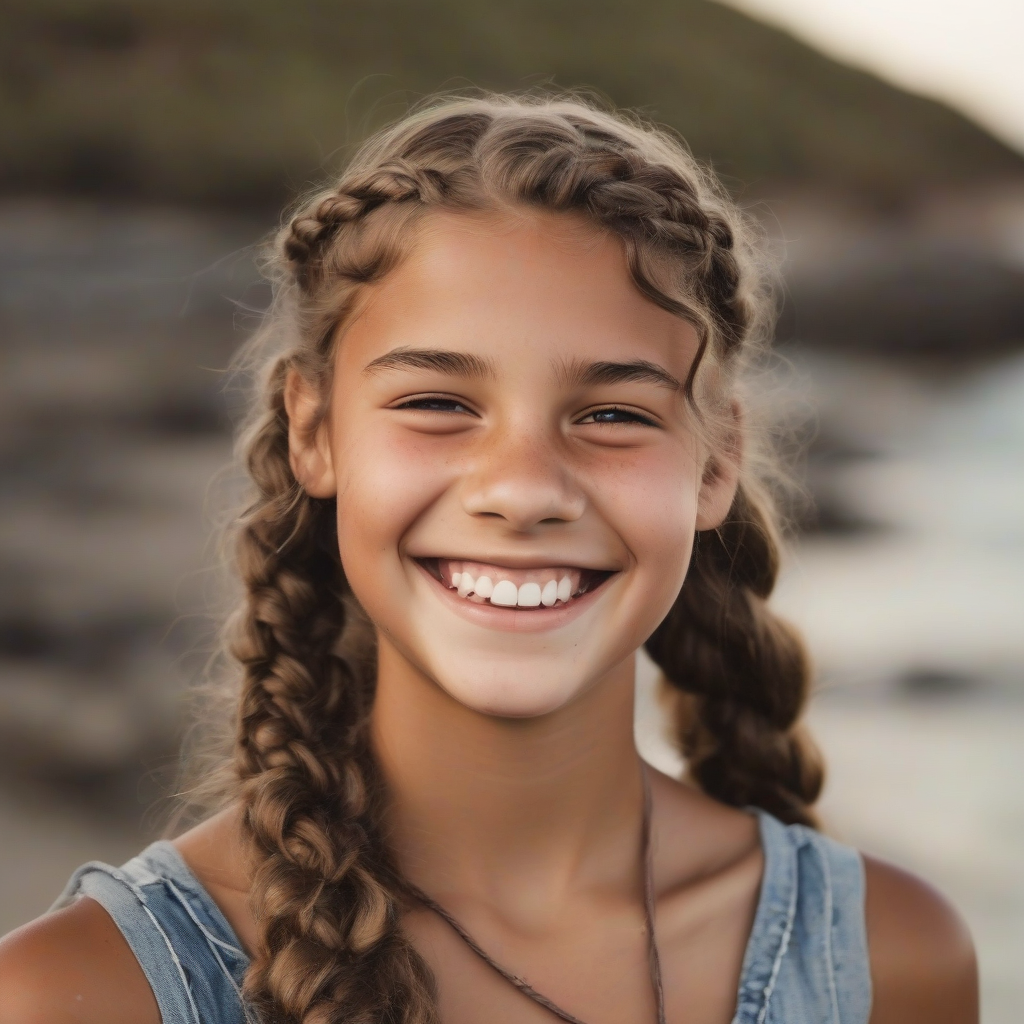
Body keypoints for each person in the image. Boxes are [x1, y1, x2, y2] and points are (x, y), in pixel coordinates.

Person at [0, 94, 977, 1024]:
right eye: (437, 403)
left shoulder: (890, 960)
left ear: (715, 459)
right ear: (314, 431)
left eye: (610, 415)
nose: (522, 488)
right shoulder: (84, 991)